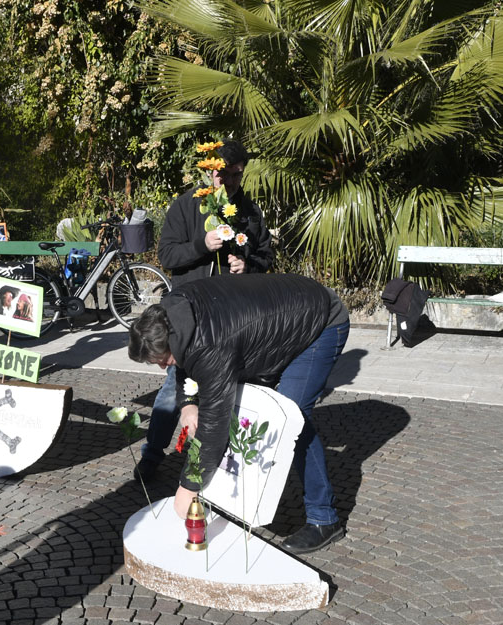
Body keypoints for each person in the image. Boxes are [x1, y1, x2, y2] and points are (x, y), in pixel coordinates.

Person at [129, 273, 350, 553]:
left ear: (171, 339)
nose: (163, 368)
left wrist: (187, 488)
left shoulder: (210, 346)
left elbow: (214, 426)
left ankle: (324, 519)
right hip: (269, 324)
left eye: (163, 360)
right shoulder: (172, 315)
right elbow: (184, 361)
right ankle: (238, 493)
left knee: (292, 419)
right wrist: (187, 405)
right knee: (249, 411)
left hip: (319, 323)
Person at [135, 138, 274, 480]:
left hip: (232, 323)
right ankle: (152, 456)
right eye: (223, 175)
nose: (229, 183)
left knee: (226, 390)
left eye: (236, 176)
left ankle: (220, 463)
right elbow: (167, 257)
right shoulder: (185, 207)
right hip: (188, 323)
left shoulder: (249, 211)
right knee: (174, 390)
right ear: (210, 171)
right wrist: (202, 245)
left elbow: (266, 255)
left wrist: (248, 265)